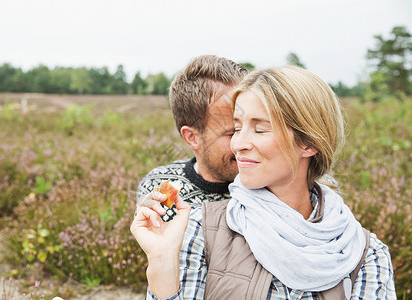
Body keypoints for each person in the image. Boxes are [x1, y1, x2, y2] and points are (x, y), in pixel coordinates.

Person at [131, 66, 396, 299]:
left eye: (259, 129)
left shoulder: (366, 255)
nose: (239, 144)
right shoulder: (198, 229)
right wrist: (162, 259)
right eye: (236, 129)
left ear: (308, 142)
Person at [136, 55, 248, 222]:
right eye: (233, 132)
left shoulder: (274, 183)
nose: (248, 143)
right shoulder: (159, 188)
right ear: (192, 137)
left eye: (258, 129)